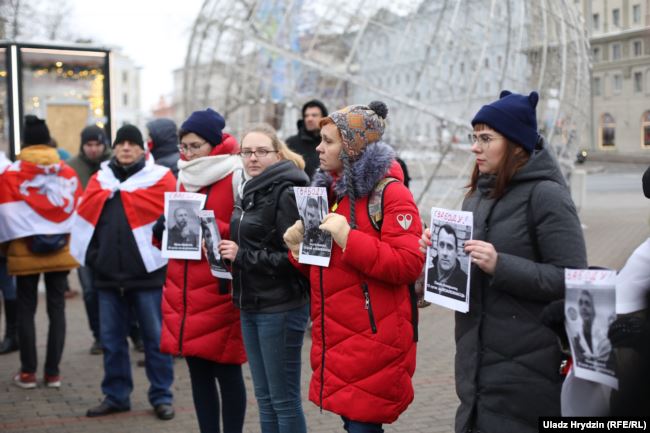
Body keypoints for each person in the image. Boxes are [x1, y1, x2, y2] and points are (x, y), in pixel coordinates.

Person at [420, 90, 587, 432]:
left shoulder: (547, 195)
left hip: (529, 368)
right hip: (476, 364)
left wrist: (501, 265)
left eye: (485, 138)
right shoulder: (476, 197)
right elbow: (464, 277)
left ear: (515, 144)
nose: (474, 147)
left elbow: (573, 278)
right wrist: (436, 256)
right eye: (474, 137)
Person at [283, 101, 423, 432]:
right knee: (353, 423)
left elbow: (408, 264)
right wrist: (298, 252)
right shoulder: (330, 192)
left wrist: (350, 239)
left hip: (375, 338)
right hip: (338, 334)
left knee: (363, 426)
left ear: (354, 146)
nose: (318, 147)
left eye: (328, 141)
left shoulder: (391, 194)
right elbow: (326, 271)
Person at [71, 124, 176, 420]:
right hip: (107, 277)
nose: (126, 148)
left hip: (149, 276)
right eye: (121, 143)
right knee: (111, 341)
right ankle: (116, 395)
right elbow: (84, 222)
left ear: (143, 148)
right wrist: (95, 257)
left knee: (156, 340)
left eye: (132, 143)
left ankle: (162, 395)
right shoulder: (100, 181)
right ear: (114, 148)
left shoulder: (161, 179)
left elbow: (175, 224)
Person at [159, 108, 247, 433]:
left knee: (227, 369)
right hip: (183, 290)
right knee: (197, 372)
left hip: (219, 288)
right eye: (185, 146)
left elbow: (247, 231)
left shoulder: (235, 173)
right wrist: (164, 230)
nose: (189, 153)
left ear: (213, 144)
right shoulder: (183, 175)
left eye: (195, 146)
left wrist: (210, 225)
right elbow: (177, 234)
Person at [219, 123, 310, 433]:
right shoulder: (248, 189)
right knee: (265, 398)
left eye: (261, 151)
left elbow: (298, 258)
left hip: (281, 307)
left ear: (277, 153)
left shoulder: (287, 192)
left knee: (283, 400)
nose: (252, 158)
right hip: (251, 304)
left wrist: (242, 256)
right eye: (246, 152)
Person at [0, 115, 82, 388]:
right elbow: (77, 211)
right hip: (60, 252)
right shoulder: (67, 172)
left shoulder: (11, 174)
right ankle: (53, 373)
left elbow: (4, 215)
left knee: (26, 310)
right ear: (48, 140)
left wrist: (7, 248)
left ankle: (27, 373)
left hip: (25, 253)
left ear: (24, 141)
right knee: (57, 310)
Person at [67, 125, 112, 355]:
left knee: (119, 288)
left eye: (97, 144)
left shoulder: (114, 164)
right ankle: (99, 336)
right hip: (84, 239)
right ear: (83, 145)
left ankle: (132, 333)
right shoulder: (72, 168)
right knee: (89, 291)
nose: (93, 149)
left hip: (110, 239)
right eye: (89, 145)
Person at [286, 99, 328, 179]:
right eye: (306, 116)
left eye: (314, 115)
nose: (309, 119)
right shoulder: (291, 143)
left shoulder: (331, 142)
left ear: (324, 118)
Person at [427, 224, 467, 294]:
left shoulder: (465, 283)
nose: (445, 253)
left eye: (450, 247)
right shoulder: (428, 275)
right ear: (437, 247)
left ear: (456, 252)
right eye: (441, 245)